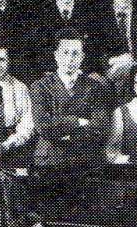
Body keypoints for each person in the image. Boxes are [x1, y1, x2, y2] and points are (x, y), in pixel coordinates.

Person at [30, 33, 112, 173]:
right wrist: (78, 121)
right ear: (56, 55)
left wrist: (67, 134)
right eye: (65, 53)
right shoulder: (40, 86)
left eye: (75, 53)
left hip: (85, 161)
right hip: (50, 162)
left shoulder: (95, 87)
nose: (70, 59)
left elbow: (100, 127)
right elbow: (43, 125)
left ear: (82, 57)